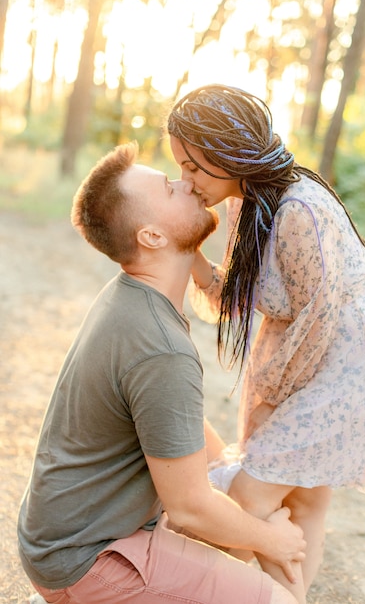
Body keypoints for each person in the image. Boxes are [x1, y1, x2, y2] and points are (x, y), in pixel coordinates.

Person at [17, 142, 307, 604]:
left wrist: (234, 476)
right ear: (151, 237)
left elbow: (167, 420)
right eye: (171, 188)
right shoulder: (159, 347)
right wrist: (273, 539)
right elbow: (190, 508)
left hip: (62, 537)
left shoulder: (130, 295)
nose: (189, 182)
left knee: (242, 511)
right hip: (88, 560)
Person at [167, 83, 365, 603]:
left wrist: (271, 400)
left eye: (193, 166)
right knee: (302, 501)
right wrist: (187, 250)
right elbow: (232, 300)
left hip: (351, 358)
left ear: (226, 153)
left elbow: (316, 323)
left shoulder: (298, 209)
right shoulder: (245, 202)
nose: (185, 179)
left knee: (248, 499)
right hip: (311, 349)